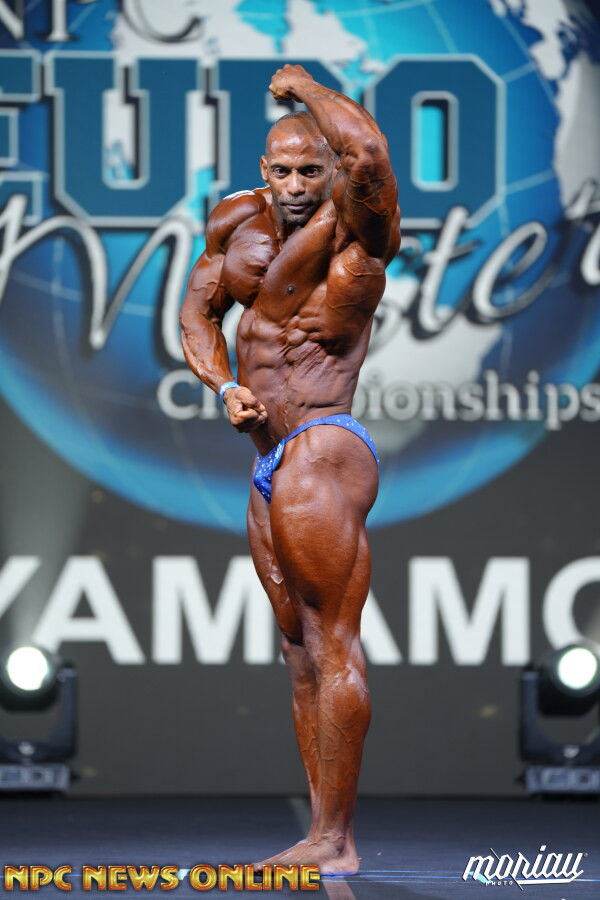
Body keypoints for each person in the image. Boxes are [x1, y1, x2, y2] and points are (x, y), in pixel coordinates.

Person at [180, 64, 400, 876]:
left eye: (314, 169)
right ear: (264, 171)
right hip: (268, 457)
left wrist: (305, 86)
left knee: (332, 640)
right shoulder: (237, 222)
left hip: (322, 443)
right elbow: (197, 312)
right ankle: (320, 833)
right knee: (298, 648)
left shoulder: (363, 227)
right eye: (285, 171)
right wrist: (223, 384)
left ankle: (339, 840)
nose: (300, 186)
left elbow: (368, 153)